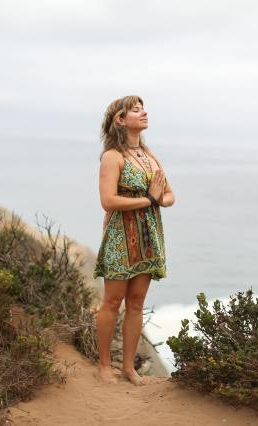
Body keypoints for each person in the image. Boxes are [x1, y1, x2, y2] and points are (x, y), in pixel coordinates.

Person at [92, 95, 175, 385]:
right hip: (120, 237)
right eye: (136, 110)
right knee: (113, 301)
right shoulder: (112, 156)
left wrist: (158, 199)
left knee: (137, 302)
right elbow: (108, 201)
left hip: (148, 237)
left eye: (143, 109)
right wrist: (150, 198)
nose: (144, 113)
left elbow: (170, 195)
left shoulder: (150, 156)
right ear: (120, 119)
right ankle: (104, 366)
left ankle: (129, 368)